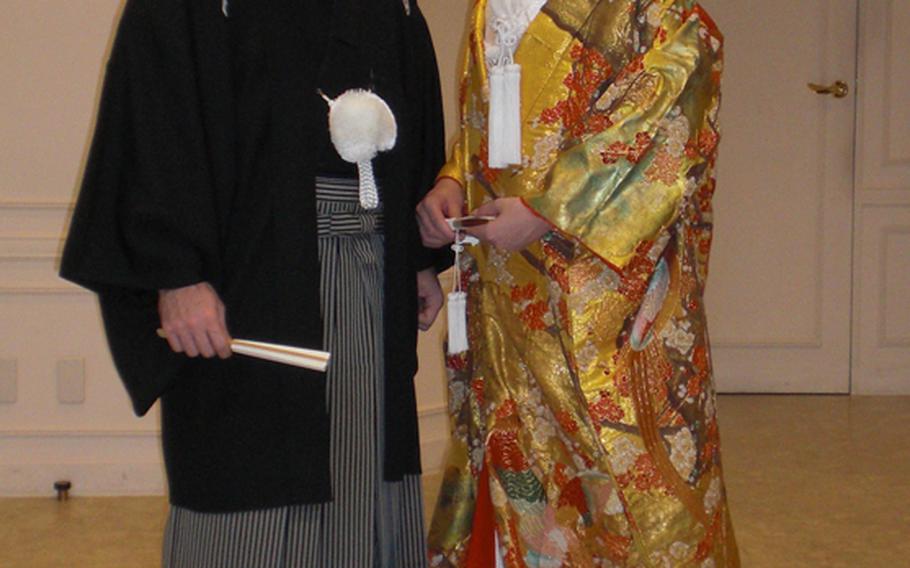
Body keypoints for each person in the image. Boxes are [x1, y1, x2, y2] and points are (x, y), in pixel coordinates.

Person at [60, 0, 448, 566]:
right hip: (246, 279)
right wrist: (175, 274)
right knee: (248, 477)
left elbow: (410, 98)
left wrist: (415, 257)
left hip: (371, 274)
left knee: (366, 467)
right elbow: (154, 112)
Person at [417, 0, 739, 565]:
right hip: (506, 293)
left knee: (626, 482)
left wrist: (549, 210)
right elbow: (490, 127)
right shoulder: (489, 5)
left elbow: (673, 103)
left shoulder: (654, 9)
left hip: (602, 304)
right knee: (513, 455)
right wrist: (453, 180)